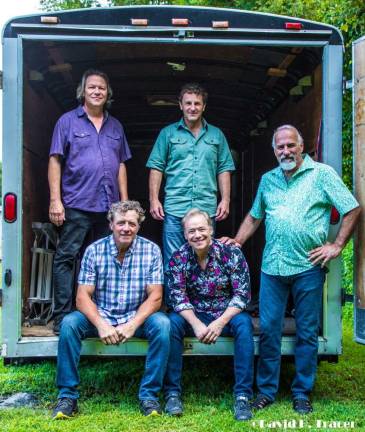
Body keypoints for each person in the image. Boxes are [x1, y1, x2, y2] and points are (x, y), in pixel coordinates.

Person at [221, 125, 361, 414]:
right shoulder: (268, 179)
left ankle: (301, 393)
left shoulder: (321, 174)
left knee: (307, 333)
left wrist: (336, 246)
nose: (285, 151)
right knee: (270, 330)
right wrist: (237, 240)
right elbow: (254, 216)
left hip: (308, 266)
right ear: (274, 151)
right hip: (273, 266)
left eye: (290, 145)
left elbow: (352, 208)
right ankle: (267, 391)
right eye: (280, 147)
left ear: (301, 147)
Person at [52, 200, 170, 419]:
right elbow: (82, 297)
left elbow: (156, 297)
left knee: (163, 324)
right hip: (101, 314)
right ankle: (67, 396)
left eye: (132, 224)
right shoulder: (93, 251)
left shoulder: (151, 250)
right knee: (69, 324)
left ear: (139, 226)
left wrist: (132, 324)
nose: (126, 228)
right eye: (121, 223)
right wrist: (101, 325)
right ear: (111, 224)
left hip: (136, 316)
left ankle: (149, 396)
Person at [48, 69, 131, 333]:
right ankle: (62, 317)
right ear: (83, 91)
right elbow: (55, 160)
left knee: (103, 261)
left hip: (109, 208)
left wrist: (125, 205)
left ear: (108, 94)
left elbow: (121, 164)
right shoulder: (67, 121)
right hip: (76, 203)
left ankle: (97, 315)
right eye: (92, 87)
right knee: (67, 258)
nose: (97, 92)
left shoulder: (115, 125)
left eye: (102, 88)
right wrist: (55, 200)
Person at [163, 209, 254, 421]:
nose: (197, 235)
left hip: (226, 313)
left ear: (211, 230)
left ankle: (242, 396)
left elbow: (242, 294)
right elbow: (177, 296)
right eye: (191, 231)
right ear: (185, 235)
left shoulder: (231, 254)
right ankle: (172, 394)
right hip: (193, 314)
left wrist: (220, 323)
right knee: (171, 324)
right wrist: (196, 324)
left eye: (202, 229)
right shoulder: (179, 258)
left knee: (244, 325)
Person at [146, 83, 235, 271]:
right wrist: (154, 199)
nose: (192, 108)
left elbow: (224, 168)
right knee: (173, 260)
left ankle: (201, 299)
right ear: (180, 105)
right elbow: (156, 167)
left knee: (205, 258)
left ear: (204, 106)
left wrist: (225, 199)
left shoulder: (217, 135)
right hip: (175, 207)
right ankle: (175, 301)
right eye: (188, 103)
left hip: (206, 208)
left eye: (197, 103)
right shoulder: (167, 133)